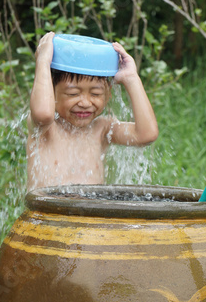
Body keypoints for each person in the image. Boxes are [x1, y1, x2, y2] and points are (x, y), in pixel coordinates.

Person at [26, 32, 158, 190]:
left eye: (95, 94)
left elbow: (146, 134)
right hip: (47, 214)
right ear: (52, 92)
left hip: (89, 214)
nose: (85, 102)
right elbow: (43, 114)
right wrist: (43, 62)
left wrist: (131, 78)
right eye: (73, 94)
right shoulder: (46, 129)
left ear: (108, 95)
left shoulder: (102, 129)